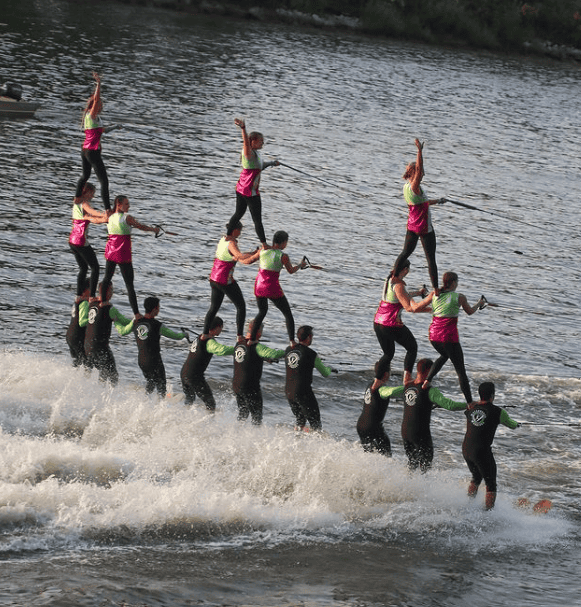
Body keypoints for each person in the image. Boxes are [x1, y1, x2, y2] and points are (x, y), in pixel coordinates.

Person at [384, 358, 467, 472]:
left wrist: (374, 388)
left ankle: (407, 487)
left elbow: (386, 392)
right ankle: (421, 489)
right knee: (425, 467)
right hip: (420, 434)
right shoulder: (430, 391)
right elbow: (450, 405)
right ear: (429, 371)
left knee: (412, 464)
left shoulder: (406, 387)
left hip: (405, 433)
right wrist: (470, 404)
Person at [392, 138, 447, 291]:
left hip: (412, 226)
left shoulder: (406, 187)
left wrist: (439, 201)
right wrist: (420, 151)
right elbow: (420, 167)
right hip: (424, 228)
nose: (422, 173)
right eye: (419, 172)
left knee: (405, 252)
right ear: (415, 173)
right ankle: (436, 289)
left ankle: (394, 276)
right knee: (431, 260)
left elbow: (422, 204)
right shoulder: (415, 186)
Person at [423, 271, 485, 403]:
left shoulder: (434, 294)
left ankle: (426, 381)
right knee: (461, 372)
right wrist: (479, 304)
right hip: (449, 339)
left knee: (445, 355)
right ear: (454, 283)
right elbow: (469, 312)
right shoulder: (459, 297)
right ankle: (470, 402)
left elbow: (422, 305)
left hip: (433, 337)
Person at [100, 195, 160, 319]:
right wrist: (154, 229)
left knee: (107, 278)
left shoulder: (109, 217)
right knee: (129, 285)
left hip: (111, 252)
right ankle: (136, 314)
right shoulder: (127, 218)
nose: (129, 206)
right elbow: (140, 226)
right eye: (126, 204)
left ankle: (102, 301)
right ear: (119, 204)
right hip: (123, 254)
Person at [201, 221, 261, 343]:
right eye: (240, 230)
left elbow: (237, 257)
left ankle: (204, 334)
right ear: (235, 230)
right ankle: (239, 336)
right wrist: (257, 255)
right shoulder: (232, 243)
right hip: (224, 281)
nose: (240, 233)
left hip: (213, 279)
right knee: (241, 306)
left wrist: (253, 254)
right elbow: (240, 256)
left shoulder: (223, 240)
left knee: (214, 308)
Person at [463, 381, 520, 510]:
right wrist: (517, 424)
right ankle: (488, 515)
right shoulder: (498, 412)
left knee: (476, 477)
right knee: (491, 484)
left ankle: (468, 505)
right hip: (481, 451)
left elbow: (477, 410)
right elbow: (511, 424)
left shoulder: (471, 408)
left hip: (466, 449)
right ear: (492, 395)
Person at [374, 259, 432, 384]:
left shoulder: (389, 279)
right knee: (412, 348)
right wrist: (429, 308)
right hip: (391, 323)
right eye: (408, 269)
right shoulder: (399, 284)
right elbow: (409, 308)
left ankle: (376, 383)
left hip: (378, 322)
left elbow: (401, 295)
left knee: (388, 354)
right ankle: (407, 378)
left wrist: (418, 293)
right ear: (405, 269)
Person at [117, 297, 188, 398]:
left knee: (151, 382)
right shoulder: (157, 325)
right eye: (158, 307)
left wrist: (115, 321)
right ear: (154, 309)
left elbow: (122, 331)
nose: (159, 309)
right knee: (161, 386)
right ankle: (160, 407)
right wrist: (184, 334)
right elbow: (175, 336)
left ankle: (145, 402)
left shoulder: (136, 322)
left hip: (141, 360)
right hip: (154, 360)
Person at [226, 118, 279, 247]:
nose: (263, 143)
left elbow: (260, 166)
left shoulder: (256, 154)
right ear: (253, 141)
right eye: (261, 141)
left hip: (241, 188)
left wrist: (273, 163)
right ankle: (264, 244)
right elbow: (245, 143)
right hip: (250, 192)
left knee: (239, 213)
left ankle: (228, 235)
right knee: (257, 219)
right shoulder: (248, 153)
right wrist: (243, 129)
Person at [249, 230, 307, 346]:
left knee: (262, 312)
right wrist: (301, 265)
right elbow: (291, 271)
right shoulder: (283, 256)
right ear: (283, 242)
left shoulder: (262, 250)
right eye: (286, 242)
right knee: (287, 314)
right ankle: (292, 341)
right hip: (272, 287)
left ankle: (251, 339)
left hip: (259, 285)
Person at [74, 72, 121, 211]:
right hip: (92, 152)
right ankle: (108, 210)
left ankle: (77, 197)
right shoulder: (92, 114)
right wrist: (99, 84)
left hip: (85, 150)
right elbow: (96, 99)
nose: (100, 104)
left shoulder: (94, 118)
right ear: (95, 104)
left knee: (85, 175)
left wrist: (115, 127)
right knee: (104, 181)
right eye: (99, 103)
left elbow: (103, 130)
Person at [232, 320, 286, 425]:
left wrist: (264, 359)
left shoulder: (238, 344)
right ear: (258, 333)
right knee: (257, 418)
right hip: (250, 387)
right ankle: (254, 439)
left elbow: (247, 356)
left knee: (243, 414)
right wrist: (287, 352)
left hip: (236, 385)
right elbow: (274, 354)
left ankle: (235, 434)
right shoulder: (258, 346)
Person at [285, 325, 336, 432]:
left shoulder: (288, 349)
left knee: (300, 420)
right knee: (316, 424)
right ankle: (316, 446)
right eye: (312, 335)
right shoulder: (312, 354)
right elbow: (325, 373)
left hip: (289, 392)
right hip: (303, 392)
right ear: (308, 337)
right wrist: (330, 369)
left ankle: (295, 442)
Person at [82, 282, 132, 385]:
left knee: (91, 374)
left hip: (87, 347)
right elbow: (124, 322)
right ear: (108, 292)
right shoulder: (110, 309)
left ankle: (86, 392)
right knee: (113, 377)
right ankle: (104, 398)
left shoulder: (91, 304)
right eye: (112, 290)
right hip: (100, 348)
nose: (113, 292)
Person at [181, 316, 235, 410]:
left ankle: (181, 418)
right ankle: (207, 423)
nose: (221, 330)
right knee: (211, 404)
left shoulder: (199, 337)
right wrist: (238, 349)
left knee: (190, 400)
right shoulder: (209, 342)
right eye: (221, 327)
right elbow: (221, 350)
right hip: (194, 377)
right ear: (217, 327)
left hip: (184, 373)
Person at [69, 182, 108, 300]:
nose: (93, 196)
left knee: (83, 268)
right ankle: (92, 295)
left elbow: (91, 218)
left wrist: (104, 219)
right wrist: (106, 216)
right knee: (95, 268)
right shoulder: (84, 203)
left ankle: (79, 295)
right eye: (92, 193)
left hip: (72, 241)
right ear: (87, 192)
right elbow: (94, 214)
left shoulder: (76, 204)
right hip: (81, 241)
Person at [356, 358, 393, 456]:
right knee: (387, 455)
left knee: (369, 455)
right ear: (386, 374)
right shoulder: (382, 389)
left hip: (361, 425)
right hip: (373, 427)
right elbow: (394, 391)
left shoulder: (369, 385)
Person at [66, 279, 90, 368]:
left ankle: (71, 378)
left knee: (78, 362)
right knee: (86, 363)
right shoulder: (85, 303)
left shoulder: (77, 302)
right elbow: (82, 322)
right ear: (86, 290)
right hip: (77, 337)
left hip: (69, 336)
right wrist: (93, 321)